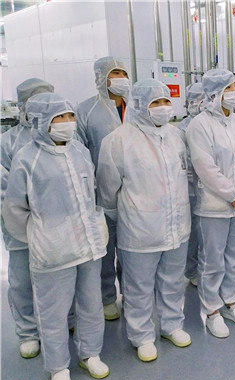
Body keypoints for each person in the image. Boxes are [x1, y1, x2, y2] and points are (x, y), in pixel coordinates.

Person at [2, 93, 110, 380]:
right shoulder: (27, 158)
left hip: (88, 245)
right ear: (41, 122)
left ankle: (90, 354)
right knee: (53, 312)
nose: (67, 123)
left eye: (70, 116)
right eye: (59, 118)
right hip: (52, 252)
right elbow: (14, 209)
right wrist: (41, 236)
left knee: (90, 304)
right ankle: (58, 367)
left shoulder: (79, 151)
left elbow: (91, 192)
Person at [97, 79, 192, 362]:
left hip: (177, 224)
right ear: (139, 105)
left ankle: (172, 324)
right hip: (139, 229)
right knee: (138, 286)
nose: (163, 108)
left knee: (173, 280)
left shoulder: (175, 135)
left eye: (166, 102)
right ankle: (141, 335)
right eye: (155, 103)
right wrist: (126, 216)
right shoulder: (118, 140)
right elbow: (107, 189)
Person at [185, 69, 235, 338]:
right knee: (212, 260)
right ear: (214, 93)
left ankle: (231, 303)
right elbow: (206, 168)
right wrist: (233, 196)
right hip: (214, 207)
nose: (233, 93)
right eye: (228, 88)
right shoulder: (199, 126)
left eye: (234, 87)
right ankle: (212, 311)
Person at [1, 78, 53, 359]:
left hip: (57, 225)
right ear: (23, 106)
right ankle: (28, 332)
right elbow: (5, 190)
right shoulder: (7, 143)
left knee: (59, 278)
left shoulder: (63, 138)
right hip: (20, 226)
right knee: (22, 280)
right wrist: (28, 218)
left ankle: (62, 322)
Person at [76, 56, 130, 321]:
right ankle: (107, 296)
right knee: (106, 249)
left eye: (123, 73)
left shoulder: (137, 106)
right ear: (101, 78)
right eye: (114, 73)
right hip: (101, 193)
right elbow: (79, 153)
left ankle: (130, 294)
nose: (120, 78)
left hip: (134, 191)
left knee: (132, 249)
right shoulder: (85, 111)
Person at [178, 82, 206, 287]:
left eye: (205, 100)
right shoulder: (182, 129)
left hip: (211, 189)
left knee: (209, 234)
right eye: (196, 101)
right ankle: (192, 270)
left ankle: (207, 267)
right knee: (194, 233)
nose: (201, 105)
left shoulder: (212, 125)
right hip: (190, 188)